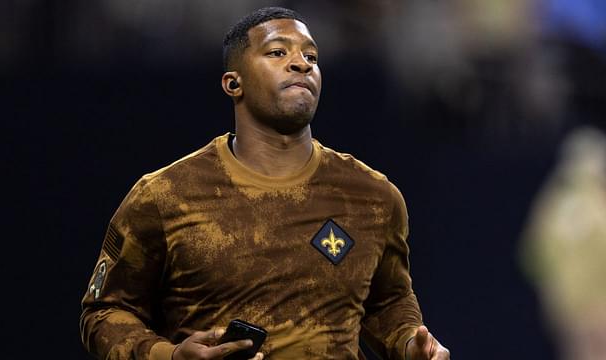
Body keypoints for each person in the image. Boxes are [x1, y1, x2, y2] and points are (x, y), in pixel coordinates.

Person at [80, 7, 450, 360]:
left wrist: (409, 347)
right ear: (233, 83)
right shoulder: (164, 196)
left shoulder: (373, 197)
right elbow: (104, 313)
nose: (301, 63)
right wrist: (169, 355)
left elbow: (388, 304)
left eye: (312, 57)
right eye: (277, 52)